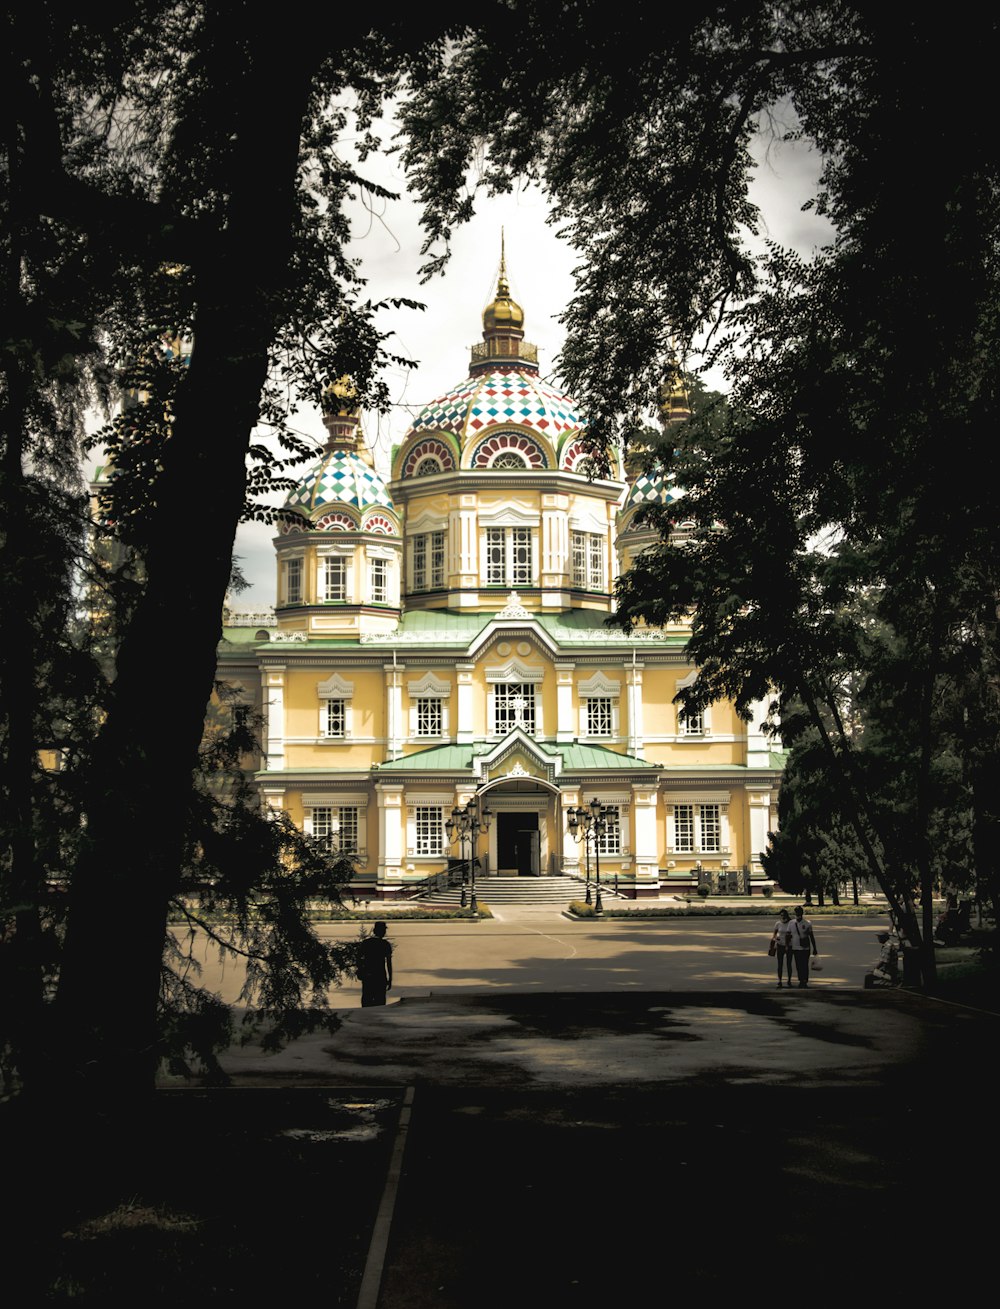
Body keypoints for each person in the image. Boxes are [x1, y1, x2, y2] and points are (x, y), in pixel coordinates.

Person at [358, 921, 392, 1007]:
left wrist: (360, 971)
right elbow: (388, 963)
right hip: (380, 975)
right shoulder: (385, 944)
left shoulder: (366, 943)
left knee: (367, 999)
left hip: (368, 974)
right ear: (383, 932)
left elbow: (358, 958)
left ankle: (366, 1017)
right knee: (380, 1001)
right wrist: (390, 979)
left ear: (374, 931)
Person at [788, 905, 818, 987]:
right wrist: (787, 946)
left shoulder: (807, 923)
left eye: (799, 912)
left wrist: (815, 948)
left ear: (802, 913)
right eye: (797, 912)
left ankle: (805, 980)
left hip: (805, 948)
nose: (798, 914)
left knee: (804, 964)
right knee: (798, 965)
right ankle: (801, 980)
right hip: (795, 947)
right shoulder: (791, 923)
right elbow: (788, 935)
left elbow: (811, 936)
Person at [771, 908, 794, 988]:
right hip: (780, 945)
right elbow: (774, 935)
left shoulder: (791, 923)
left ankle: (789, 980)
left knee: (789, 964)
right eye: (781, 916)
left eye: (784, 915)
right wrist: (775, 939)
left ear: (787, 916)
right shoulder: (778, 923)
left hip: (789, 946)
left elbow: (793, 934)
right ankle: (779, 980)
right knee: (780, 964)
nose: (783, 917)